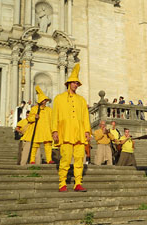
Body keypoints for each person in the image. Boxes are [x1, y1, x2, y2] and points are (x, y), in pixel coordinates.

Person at [52, 64, 91, 192]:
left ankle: (78, 182)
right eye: (74, 82)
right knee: (65, 158)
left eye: (77, 83)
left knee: (79, 158)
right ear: (69, 83)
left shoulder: (82, 100)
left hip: (79, 132)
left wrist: (87, 131)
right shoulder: (59, 98)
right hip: (65, 132)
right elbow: (55, 116)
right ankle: (62, 183)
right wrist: (55, 131)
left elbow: (86, 117)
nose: (75, 85)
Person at [21, 86, 53, 164]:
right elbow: (29, 119)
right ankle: (32, 159)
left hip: (46, 129)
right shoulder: (34, 109)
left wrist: (53, 129)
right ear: (41, 101)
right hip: (37, 129)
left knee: (48, 144)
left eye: (46, 100)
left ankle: (49, 159)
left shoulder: (49, 110)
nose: (45, 101)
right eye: (44, 100)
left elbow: (52, 120)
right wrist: (34, 117)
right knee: (35, 145)